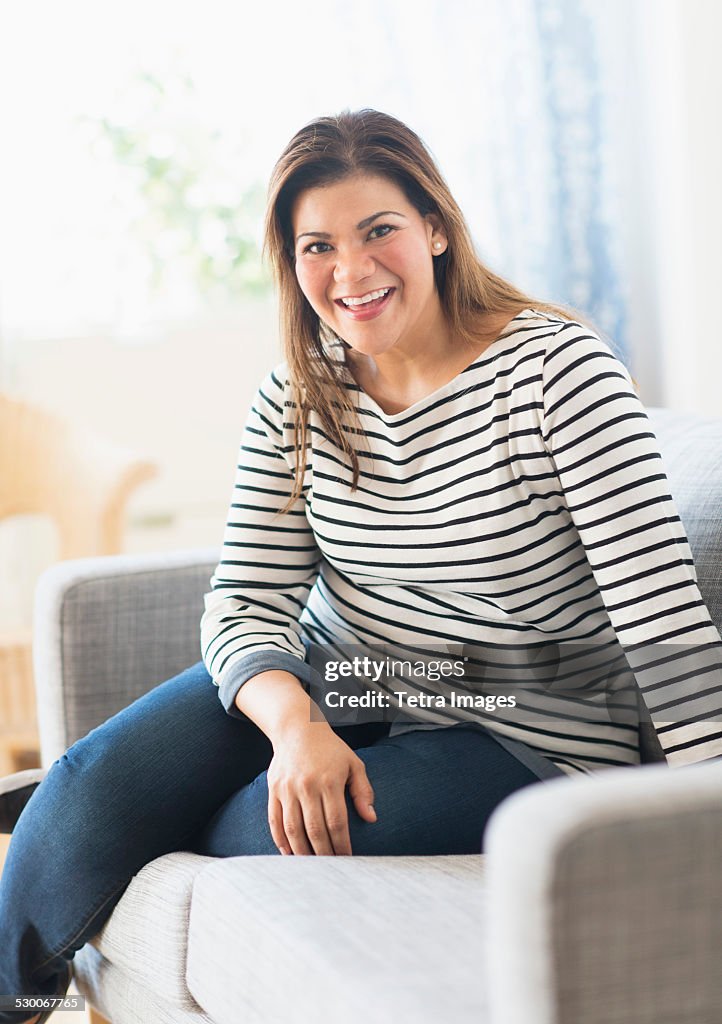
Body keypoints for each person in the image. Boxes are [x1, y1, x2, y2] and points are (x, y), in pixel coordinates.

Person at [1, 107, 721, 1023]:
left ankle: (88, 823)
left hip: (523, 721)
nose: (351, 271)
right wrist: (297, 725)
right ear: (290, 262)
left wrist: (704, 814)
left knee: (230, 824)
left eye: (379, 230)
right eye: (317, 246)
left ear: (436, 227)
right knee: (80, 792)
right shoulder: (300, 396)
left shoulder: (557, 373)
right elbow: (246, 601)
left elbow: (660, 614)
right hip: (347, 680)